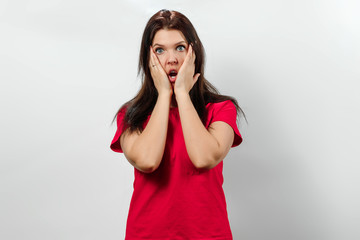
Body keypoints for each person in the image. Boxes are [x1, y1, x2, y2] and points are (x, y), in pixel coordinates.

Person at [110, 9, 244, 239]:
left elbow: (204, 158)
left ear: (194, 53)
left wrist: (181, 93)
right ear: (148, 58)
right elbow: (147, 161)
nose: (171, 59)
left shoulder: (221, 109)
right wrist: (164, 94)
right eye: (160, 50)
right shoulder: (130, 115)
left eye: (180, 48)